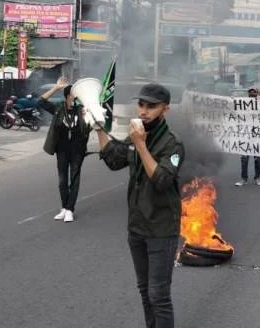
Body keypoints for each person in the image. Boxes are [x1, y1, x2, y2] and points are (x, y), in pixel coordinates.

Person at [97, 83, 185, 328]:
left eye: (152, 106)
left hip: (161, 229)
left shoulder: (173, 144)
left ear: (165, 110)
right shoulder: (137, 135)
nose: (144, 111)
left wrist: (141, 145)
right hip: (137, 227)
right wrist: (99, 129)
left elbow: (161, 180)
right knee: (145, 291)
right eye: (141, 105)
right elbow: (114, 160)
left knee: (159, 295)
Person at [39, 76, 92, 223]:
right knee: (62, 181)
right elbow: (40, 101)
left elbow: (89, 127)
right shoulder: (58, 109)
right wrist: (56, 87)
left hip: (77, 152)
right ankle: (64, 207)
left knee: (74, 180)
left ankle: (70, 210)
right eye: (74, 95)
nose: (76, 98)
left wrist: (89, 117)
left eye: (78, 96)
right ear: (68, 96)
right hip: (61, 151)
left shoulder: (81, 110)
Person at [235, 88, 260, 187]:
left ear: (257, 93)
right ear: (248, 94)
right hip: (245, 135)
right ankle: (244, 178)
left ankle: (257, 178)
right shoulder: (243, 104)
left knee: (257, 159)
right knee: (244, 158)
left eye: (254, 92)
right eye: (250, 92)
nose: (252, 94)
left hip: (257, 135)